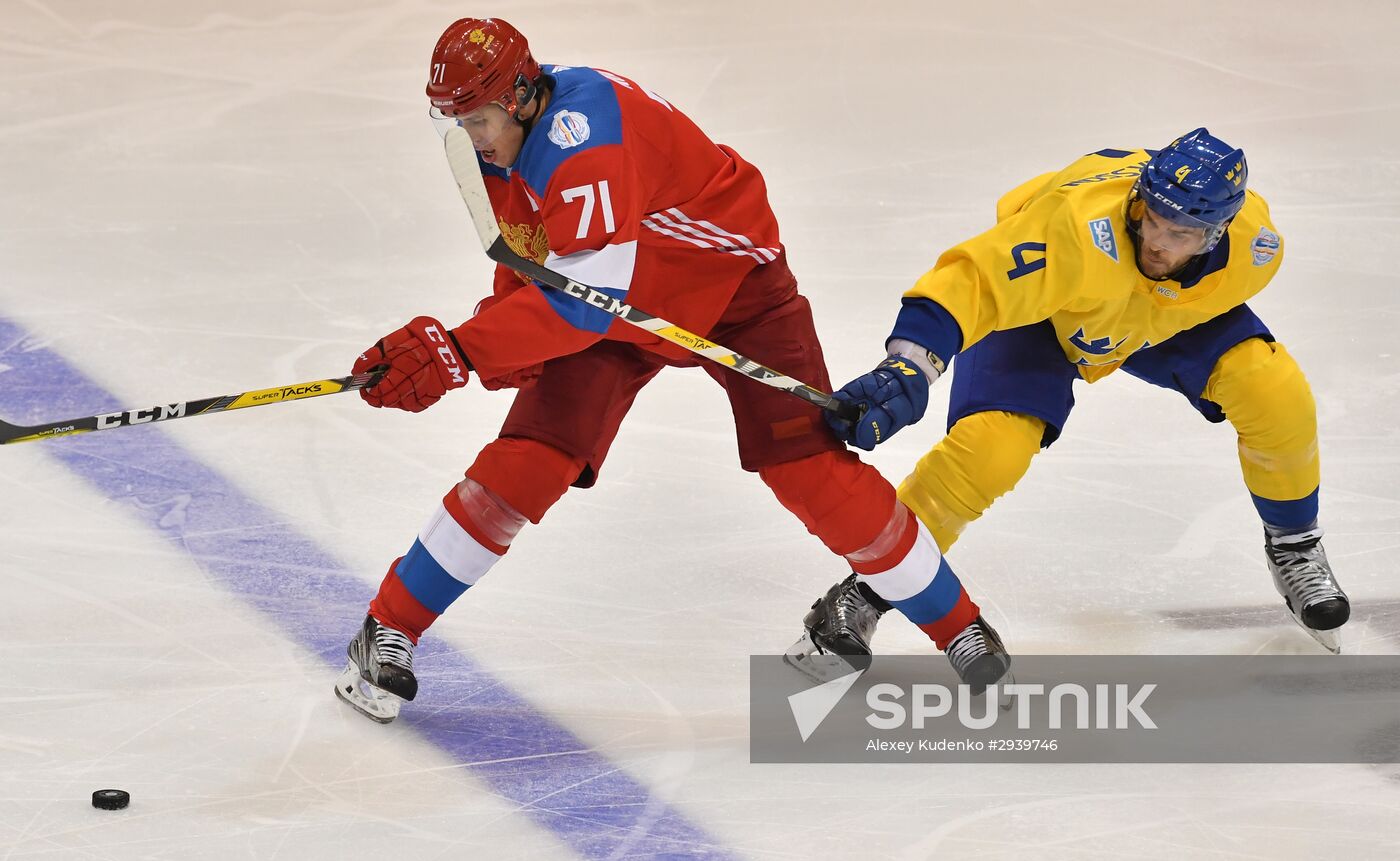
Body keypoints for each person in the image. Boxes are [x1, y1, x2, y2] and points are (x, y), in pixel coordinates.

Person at [335, 17, 1010, 723]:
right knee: (531, 459)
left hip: (732, 289)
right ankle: (388, 627)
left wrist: (462, 348)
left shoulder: (582, 142)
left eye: (478, 119)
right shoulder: (496, 144)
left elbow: (581, 305)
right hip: (615, 305)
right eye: (457, 121)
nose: (470, 136)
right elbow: (536, 255)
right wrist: (501, 336)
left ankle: (960, 626)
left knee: (810, 470)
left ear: (523, 97)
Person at [788, 129, 1350, 667]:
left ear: (1217, 234)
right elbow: (972, 282)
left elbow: (1184, 298)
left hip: (1150, 316)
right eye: (1151, 217)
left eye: (1180, 234)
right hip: (1049, 311)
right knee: (990, 453)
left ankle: (1295, 545)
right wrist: (909, 365)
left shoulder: (1256, 249)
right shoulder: (1074, 232)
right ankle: (866, 590)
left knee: (1274, 390)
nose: (1156, 240)